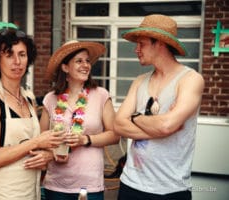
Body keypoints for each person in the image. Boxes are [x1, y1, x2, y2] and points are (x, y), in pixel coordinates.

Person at [113, 14, 205, 200]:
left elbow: (167, 125)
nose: (136, 50)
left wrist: (135, 117)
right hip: (131, 184)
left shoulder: (190, 79)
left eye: (142, 44)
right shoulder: (139, 81)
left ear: (160, 43)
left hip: (171, 188)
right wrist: (158, 129)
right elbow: (118, 125)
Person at [0, 27, 64, 200]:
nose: (17, 61)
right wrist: (36, 141)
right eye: (9, 55)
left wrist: (47, 155)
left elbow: (35, 147)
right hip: (3, 195)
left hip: (32, 193)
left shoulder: (29, 98)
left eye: (22, 54)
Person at [39, 40, 120, 200]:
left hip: (89, 185)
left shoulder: (101, 95)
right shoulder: (51, 99)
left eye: (87, 61)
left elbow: (115, 135)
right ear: (65, 67)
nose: (85, 65)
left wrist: (84, 139)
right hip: (56, 184)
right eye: (79, 61)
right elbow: (41, 139)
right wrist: (54, 152)